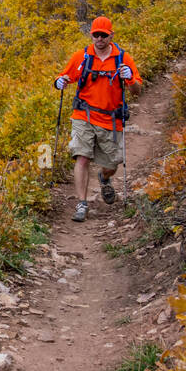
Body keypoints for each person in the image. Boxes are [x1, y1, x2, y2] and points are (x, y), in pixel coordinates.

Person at [54, 17, 141, 222]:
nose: (99, 38)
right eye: (96, 34)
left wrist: (129, 78)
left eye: (104, 34)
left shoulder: (123, 58)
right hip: (83, 115)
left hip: (111, 120)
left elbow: (137, 90)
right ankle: (82, 204)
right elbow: (65, 77)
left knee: (112, 164)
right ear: (91, 35)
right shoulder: (82, 56)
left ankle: (104, 178)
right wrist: (59, 82)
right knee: (81, 156)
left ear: (111, 35)